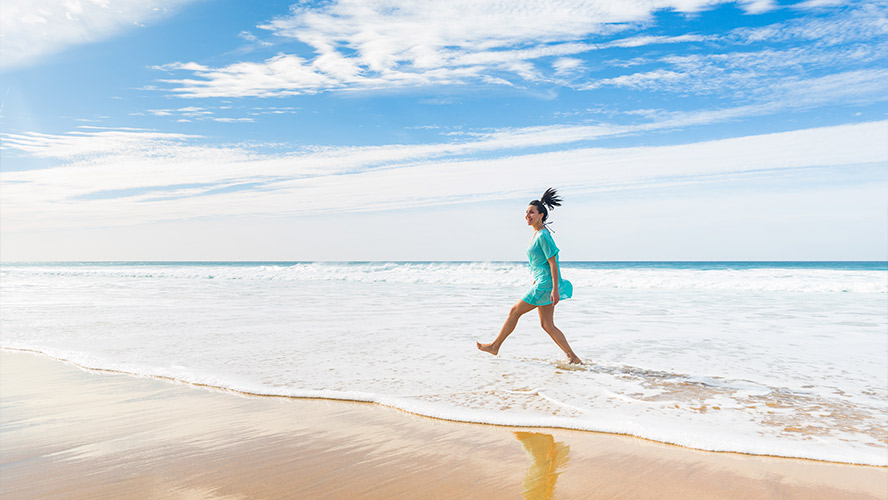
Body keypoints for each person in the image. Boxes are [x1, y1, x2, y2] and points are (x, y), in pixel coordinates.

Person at [477, 188, 582, 364]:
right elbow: (540, 263)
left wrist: (555, 289)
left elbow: (553, 263)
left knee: (514, 312)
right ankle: (573, 357)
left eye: (531, 212)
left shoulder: (543, 236)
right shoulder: (537, 234)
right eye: (526, 212)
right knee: (547, 325)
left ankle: (495, 346)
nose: (527, 215)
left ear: (541, 215)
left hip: (545, 285)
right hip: (542, 283)